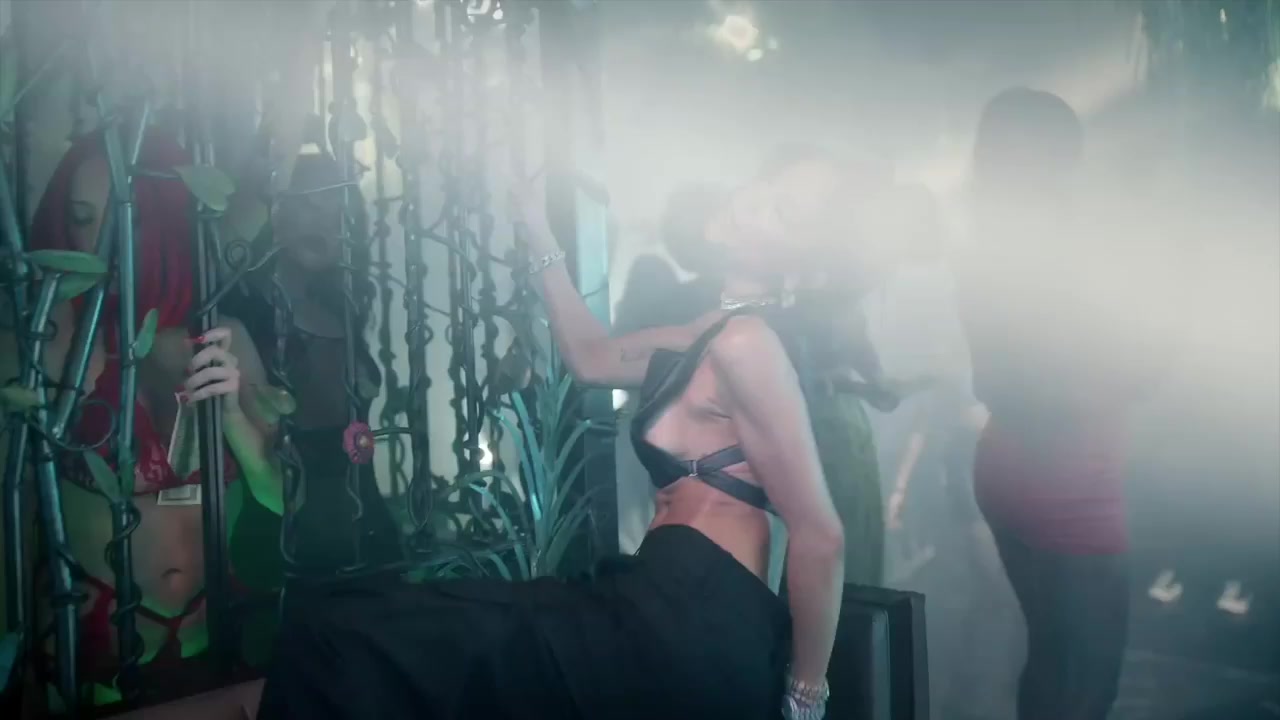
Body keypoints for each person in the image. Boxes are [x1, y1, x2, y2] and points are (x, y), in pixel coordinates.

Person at [257, 152, 854, 720]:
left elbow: (820, 534)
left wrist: (804, 698)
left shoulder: (749, 343)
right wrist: (536, 228)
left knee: (353, 639)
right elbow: (591, 357)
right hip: (653, 605)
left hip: (690, 621)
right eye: (768, 185)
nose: (755, 202)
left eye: (784, 213)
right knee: (359, 637)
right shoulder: (714, 331)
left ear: (800, 269)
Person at [0, 128, 281, 713]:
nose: (101, 243)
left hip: (220, 623)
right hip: (94, 634)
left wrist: (235, 423)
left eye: (126, 219)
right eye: (82, 219)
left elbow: (281, 498)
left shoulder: (222, 337)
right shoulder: (44, 342)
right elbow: (14, 510)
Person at [956, 87, 1169, 720]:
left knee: (1055, 658)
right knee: (1083, 678)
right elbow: (1087, 376)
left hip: (1010, 462)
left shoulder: (990, 243)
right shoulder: (1060, 250)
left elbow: (997, 379)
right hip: (1068, 478)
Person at [222, 151, 402, 578]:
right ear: (277, 211)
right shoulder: (240, 316)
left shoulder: (344, 310)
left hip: (369, 537)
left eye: (336, 212)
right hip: (286, 542)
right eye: (307, 203)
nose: (321, 221)